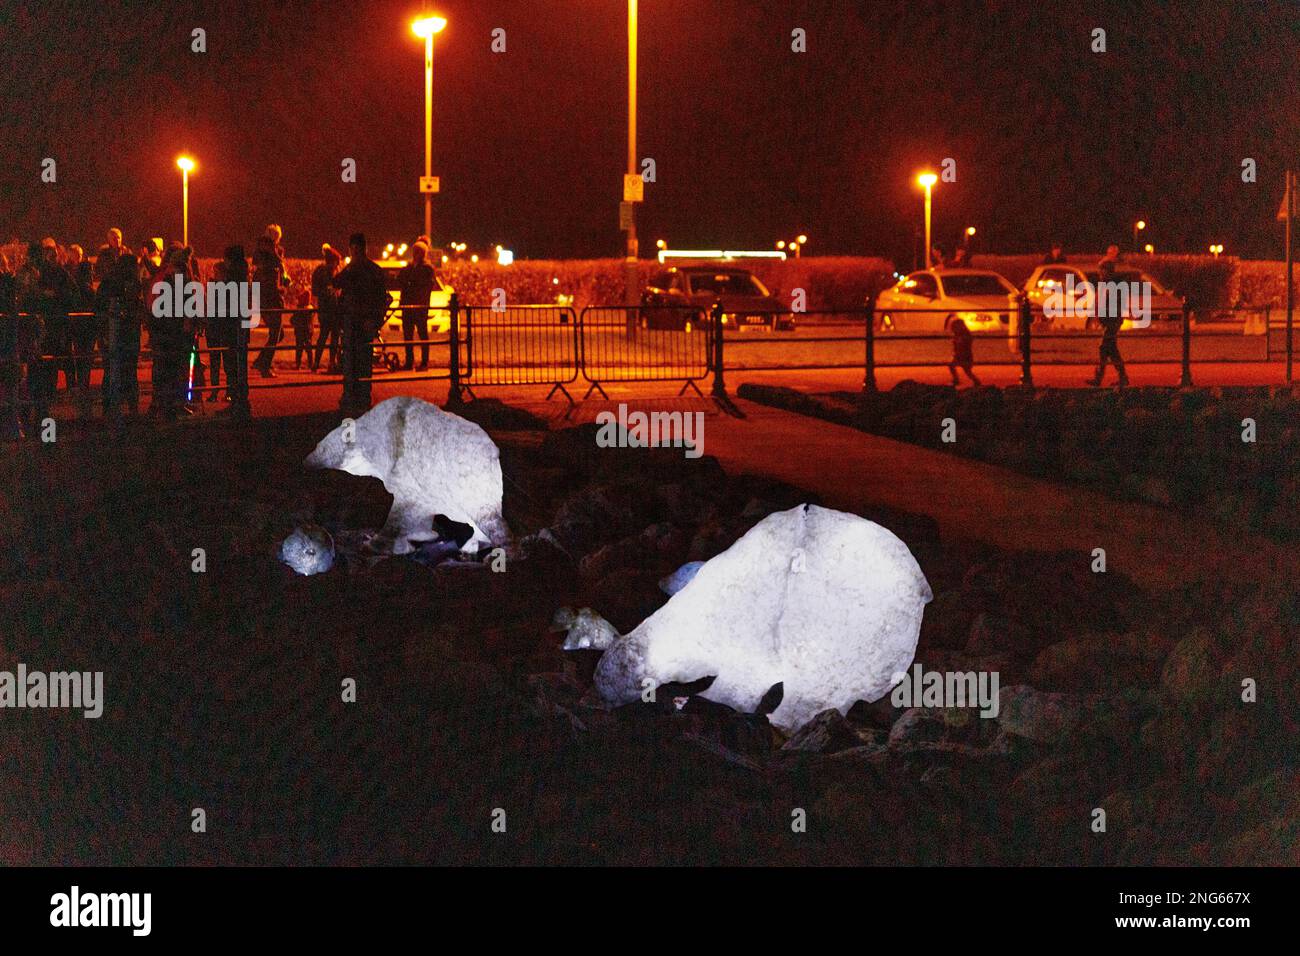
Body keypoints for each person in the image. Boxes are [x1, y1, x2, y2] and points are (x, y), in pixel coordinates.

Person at [332, 232, 387, 411]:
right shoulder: (372, 270)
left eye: (355, 249)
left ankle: (354, 397)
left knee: (356, 362)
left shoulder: (359, 270)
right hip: (359, 322)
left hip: (357, 321)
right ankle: (359, 397)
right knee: (357, 362)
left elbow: (336, 282)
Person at [98, 246, 143, 417]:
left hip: (117, 333)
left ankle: (111, 407)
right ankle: (129, 407)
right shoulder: (126, 283)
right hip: (125, 333)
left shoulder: (109, 282)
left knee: (112, 370)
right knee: (127, 371)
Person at [1088, 245, 1129, 387]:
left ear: (1107, 271)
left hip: (1112, 321)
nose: (1099, 272)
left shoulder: (1112, 285)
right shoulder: (1106, 283)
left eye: (1102, 270)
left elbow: (1113, 305)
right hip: (1110, 321)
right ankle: (1121, 377)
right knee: (1110, 349)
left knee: (1104, 347)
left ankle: (1099, 378)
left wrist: (1104, 317)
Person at [251, 234, 288, 377]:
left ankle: (261, 361)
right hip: (270, 301)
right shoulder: (268, 261)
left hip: (267, 300)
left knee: (279, 333)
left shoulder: (263, 262)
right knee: (275, 334)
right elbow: (277, 267)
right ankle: (264, 366)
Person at [397, 241, 435, 370]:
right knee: (408, 335)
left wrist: (409, 280)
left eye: (416, 251)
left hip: (420, 306)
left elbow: (415, 282)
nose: (413, 254)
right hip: (408, 304)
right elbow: (401, 279)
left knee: (422, 334)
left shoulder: (426, 268)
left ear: (421, 253)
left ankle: (424, 362)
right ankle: (409, 361)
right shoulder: (411, 267)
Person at [311, 245, 342, 372]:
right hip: (330, 308)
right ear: (332, 261)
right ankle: (330, 362)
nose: (337, 266)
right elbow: (329, 290)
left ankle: (317, 363)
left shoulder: (321, 271)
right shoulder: (325, 273)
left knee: (324, 336)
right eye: (336, 263)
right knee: (331, 336)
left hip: (326, 308)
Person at [947, 318, 981, 386]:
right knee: (956, 367)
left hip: (964, 355)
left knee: (967, 371)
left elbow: (963, 344)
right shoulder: (959, 334)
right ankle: (958, 380)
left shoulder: (965, 334)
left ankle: (975, 381)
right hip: (961, 355)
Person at [290, 288, 315, 369]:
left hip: (300, 330)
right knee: (308, 347)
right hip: (308, 330)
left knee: (299, 348)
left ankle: (298, 364)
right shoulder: (310, 308)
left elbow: (292, 320)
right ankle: (311, 364)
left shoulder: (300, 309)